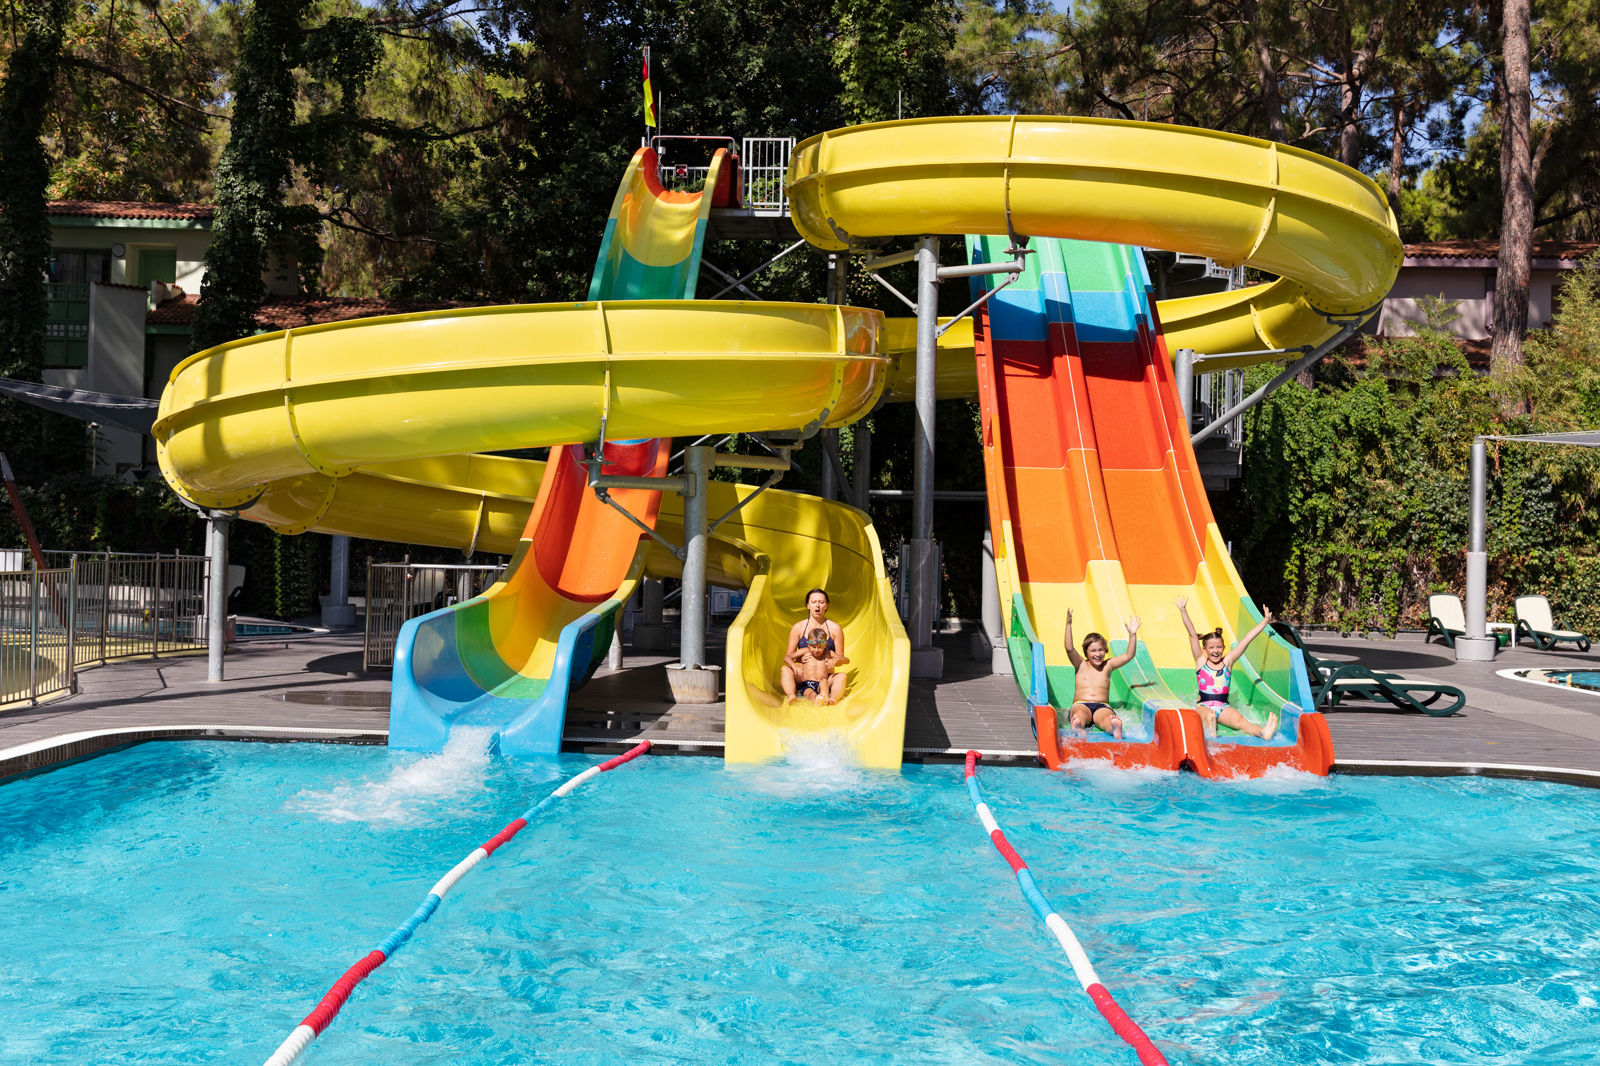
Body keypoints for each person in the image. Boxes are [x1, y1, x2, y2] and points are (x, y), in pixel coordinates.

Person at [1174, 597, 1279, 739]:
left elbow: (1247, 639)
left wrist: (1265, 621)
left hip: (1223, 707)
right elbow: (1192, 635)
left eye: (1219, 647)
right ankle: (1211, 728)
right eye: (1211, 648)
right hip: (1203, 705)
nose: (1215, 651)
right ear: (1205, 649)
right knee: (1207, 715)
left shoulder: (1228, 662)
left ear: (1224, 648)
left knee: (1240, 721)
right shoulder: (1200, 661)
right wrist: (1183, 610)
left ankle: (1263, 732)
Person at [1061, 609, 1140, 740]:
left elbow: (1128, 655)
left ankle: (1113, 726)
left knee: (1105, 718)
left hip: (1102, 705)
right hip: (1081, 703)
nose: (1097, 654)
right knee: (1080, 714)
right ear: (1086, 652)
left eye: (1101, 650)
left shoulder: (1108, 665)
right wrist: (1068, 624)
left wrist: (1132, 635)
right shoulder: (1080, 664)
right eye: (1093, 651)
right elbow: (1069, 648)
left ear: (1105, 650)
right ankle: (1078, 725)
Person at [781, 588, 848, 705]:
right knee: (785, 670)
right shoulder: (798, 628)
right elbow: (789, 656)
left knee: (842, 676)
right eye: (813, 602)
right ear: (808, 605)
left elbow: (841, 658)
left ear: (826, 605)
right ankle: (791, 695)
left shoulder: (835, 629)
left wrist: (834, 660)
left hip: (825, 678)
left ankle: (833, 698)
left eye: (821, 602)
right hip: (804, 676)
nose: (817, 605)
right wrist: (799, 659)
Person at [784, 627, 840, 704]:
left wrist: (836, 660)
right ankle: (792, 695)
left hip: (822, 682)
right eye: (813, 647)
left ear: (825, 645)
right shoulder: (805, 651)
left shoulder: (828, 653)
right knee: (810, 693)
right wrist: (794, 665)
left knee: (830, 679)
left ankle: (830, 698)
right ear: (808, 644)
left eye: (819, 647)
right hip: (806, 683)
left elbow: (845, 660)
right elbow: (787, 657)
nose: (816, 650)